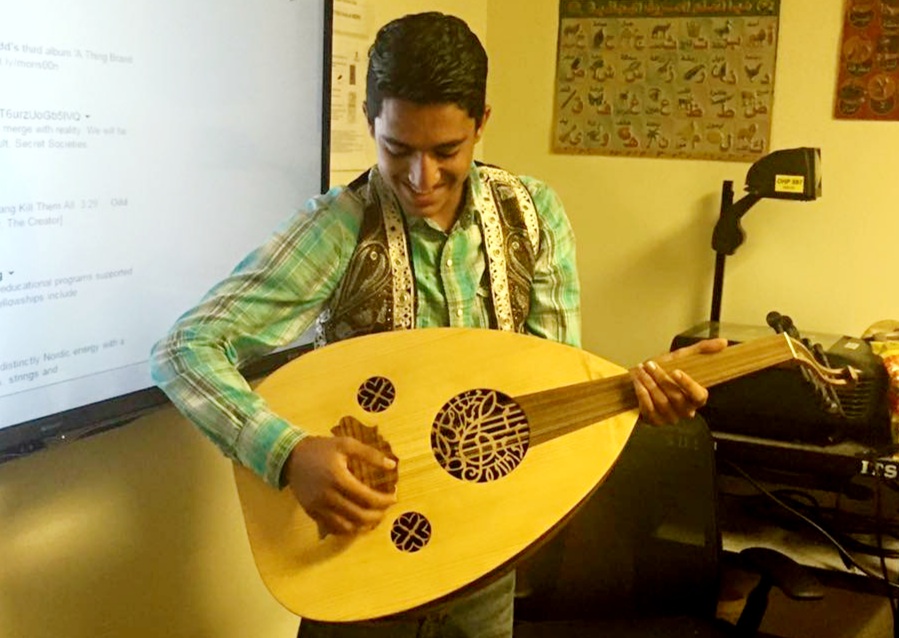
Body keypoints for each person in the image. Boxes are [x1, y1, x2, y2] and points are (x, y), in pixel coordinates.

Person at [150, 11, 726, 638]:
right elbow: (184, 348)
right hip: (360, 567)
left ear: (481, 123)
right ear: (371, 122)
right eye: (397, 149)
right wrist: (288, 454)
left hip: (486, 564)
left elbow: (543, 406)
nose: (421, 178)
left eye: (446, 151)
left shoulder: (533, 218)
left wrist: (632, 403)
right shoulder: (339, 227)